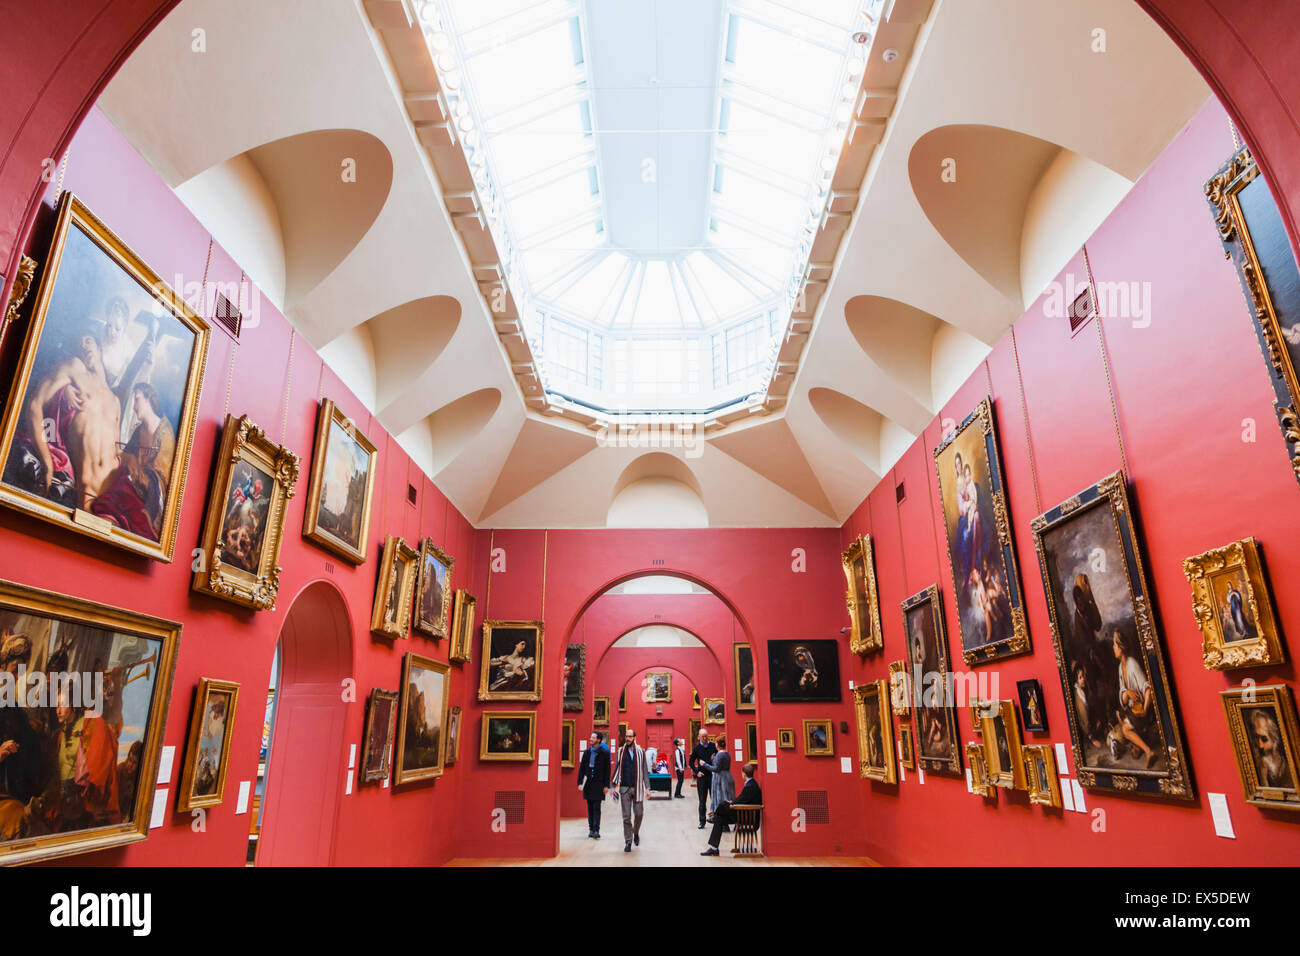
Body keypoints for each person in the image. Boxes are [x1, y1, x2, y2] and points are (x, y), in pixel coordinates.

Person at [1113, 629, 1158, 767]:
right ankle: (1137, 745)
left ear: (1121, 646)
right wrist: (1126, 693)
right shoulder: (1121, 667)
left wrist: (1145, 709)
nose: (1113, 648)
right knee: (1119, 717)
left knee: (1125, 730)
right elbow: (1123, 697)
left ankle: (1148, 751)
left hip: (1143, 712)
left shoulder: (1132, 664)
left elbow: (1147, 688)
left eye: (1114, 644)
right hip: (1133, 710)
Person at [701, 762, 762, 856]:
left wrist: (731, 804)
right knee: (720, 817)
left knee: (722, 805)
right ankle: (714, 848)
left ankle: (715, 815)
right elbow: (743, 799)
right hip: (745, 813)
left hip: (747, 817)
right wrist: (732, 803)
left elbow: (741, 801)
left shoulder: (750, 787)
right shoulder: (752, 784)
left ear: (744, 774)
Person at [609, 727, 651, 852]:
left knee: (639, 814)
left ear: (634, 738)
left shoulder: (641, 752)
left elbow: (644, 771)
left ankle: (636, 832)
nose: (627, 739)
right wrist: (612, 785)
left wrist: (647, 788)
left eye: (630, 737)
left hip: (637, 788)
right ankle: (628, 841)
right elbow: (616, 768)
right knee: (626, 817)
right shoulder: (620, 751)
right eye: (626, 736)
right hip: (624, 788)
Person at [576, 731, 610, 838]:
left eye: (593, 737)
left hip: (598, 783)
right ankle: (591, 829)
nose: (590, 739)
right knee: (589, 807)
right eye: (591, 737)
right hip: (588, 783)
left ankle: (596, 830)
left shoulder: (604, 753)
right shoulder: (587, 752)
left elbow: (607, 770)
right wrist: (579, 782)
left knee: (596, 807)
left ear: (598, 740)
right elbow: (582, 769)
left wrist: (606, 785)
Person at [689, 729, 717, 829]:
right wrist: (697, 772)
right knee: (702, 800)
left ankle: (715, 819)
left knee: (714, 799)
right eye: (703, 737)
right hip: (702, 777)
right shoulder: (697, 748)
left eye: (706, 736)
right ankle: (702, 821)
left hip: (712, 776)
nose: (705, 738)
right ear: (699, 737)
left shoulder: (713, 746)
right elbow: (691, 762)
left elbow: (718, 757)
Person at [705, 743, 735, 822]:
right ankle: (726, 819)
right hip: (727, 775)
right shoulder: (727, 754)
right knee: (727, 797)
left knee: (720, 799)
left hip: (720, 777)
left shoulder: (719, 755)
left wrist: (705, 765)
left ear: (717, 745)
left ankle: (721, 820)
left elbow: (716, 768)